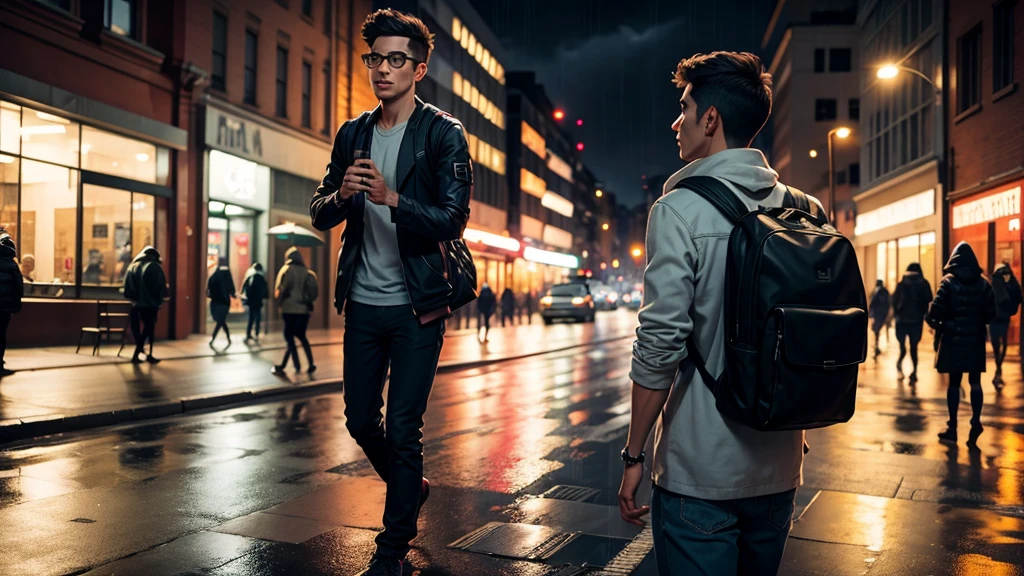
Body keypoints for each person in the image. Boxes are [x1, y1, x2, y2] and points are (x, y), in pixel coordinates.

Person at [618, 51, 810, 574]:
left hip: (700, 469)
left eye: (684, 108)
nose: (675, 122)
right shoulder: (804, 209)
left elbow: (660, 343)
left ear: (711, 119)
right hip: (780, 465)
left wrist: (634, 455)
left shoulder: (679, 209)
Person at [308, 9, 472, 574]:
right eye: (375, 57)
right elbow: (319, 211)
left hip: (417, 308)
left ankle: (392, 545)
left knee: (404, 426)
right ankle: (411, 488)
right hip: (363, 305)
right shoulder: (352, 132)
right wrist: (341, 197)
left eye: (395, 59)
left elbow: (454, 218)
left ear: (419, 68)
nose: (382, 68)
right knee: (359, 419)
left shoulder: (442, 133)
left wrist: (394, 199)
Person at [926, 242, 995, 448]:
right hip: (975, 341)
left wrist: (942, 322)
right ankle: (975, 421)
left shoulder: (948, 283)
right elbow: (991, 315)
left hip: (953, 341)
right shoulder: (984, 284)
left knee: (954, 384)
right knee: (975, 382)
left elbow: (934, 313)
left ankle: (953, 427)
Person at [273, 248, 317, 375]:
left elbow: (284, 288)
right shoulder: (306, 272)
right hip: (303, 309)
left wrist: (279, 302)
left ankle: (296, 364)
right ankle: (310, 363)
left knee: (289, 335)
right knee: (299, 335)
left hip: (289, 308)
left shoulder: (287, 270)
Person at [122, 246, 168, 364]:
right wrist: (160, 300)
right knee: (149, 328)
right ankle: (142, 353)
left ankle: (139, 352)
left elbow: (126, 287)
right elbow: (160, 286)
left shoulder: (132, 266)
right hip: (150, 303)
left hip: (135, 304)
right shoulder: (154, 267)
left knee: (137, 330)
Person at [893, 263, 933, 384]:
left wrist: (897, 313)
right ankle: (914, 371)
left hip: (902, 320)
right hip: (916, 320)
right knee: (914, 348)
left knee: (902, 347)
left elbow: (894, 300)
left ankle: (899, 365)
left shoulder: (902, 283)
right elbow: (929, 299)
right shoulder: (924, 283)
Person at [989, 262, 1021, 389]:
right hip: (999, 318)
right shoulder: (997, 284)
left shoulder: (1002, 284)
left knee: (1000, 344)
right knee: (999, 344)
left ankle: (998, 368)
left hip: (999, 318)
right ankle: (998, 368)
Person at [0, 229, 24, 376]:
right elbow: (18, 287)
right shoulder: (13, 266)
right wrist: (16, 305)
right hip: (5, 307)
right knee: (1, 335)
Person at [207, 257, 235, 347]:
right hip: (224, 302)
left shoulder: (214, 275)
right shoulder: (227, 275)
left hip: (215, 302)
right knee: (221, 321)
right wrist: (232, 294)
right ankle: (227, 338)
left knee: (220, 321)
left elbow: (208, 289)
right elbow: (231, 288)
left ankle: (215, 339)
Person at [241, 263, 269, 344]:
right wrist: (265, 296)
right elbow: (265, 290)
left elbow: (245, 286)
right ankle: (256, 333)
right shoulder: (261, 278)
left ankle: (248, 334)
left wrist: (245, 295)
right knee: (258, 318)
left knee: (251, 318)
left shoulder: (251, 277)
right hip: (258, 301)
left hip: (251, 301)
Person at [869, 279, 890, 357]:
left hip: (878, 315)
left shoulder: (876, 292)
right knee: (877, 330)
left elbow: (872, 305)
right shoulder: (883, 292)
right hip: (881, 314)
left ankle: (876, 347)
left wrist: (871, 315)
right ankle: (876, 347)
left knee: (876, 330)